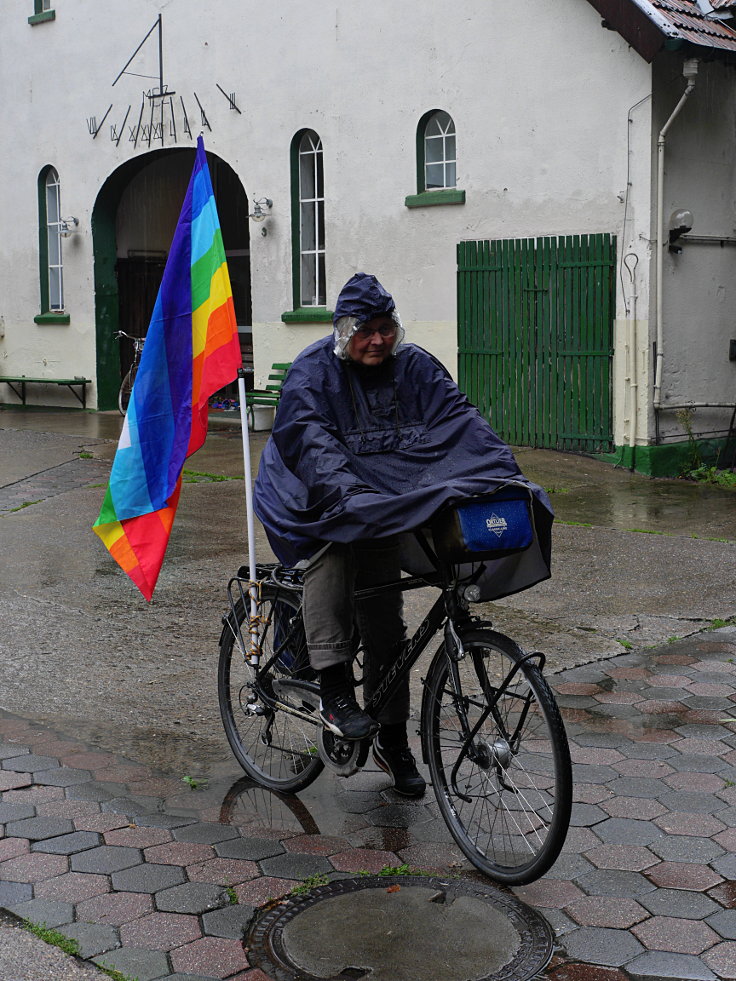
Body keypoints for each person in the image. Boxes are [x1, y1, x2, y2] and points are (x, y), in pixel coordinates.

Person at [254, 273, 552, 797]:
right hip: (309, 491)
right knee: (336, 550)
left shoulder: (414, 366)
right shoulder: (311, 374)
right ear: (343, 332)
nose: (379, 340)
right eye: (366, 330)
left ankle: (394, 743)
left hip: (380, 496)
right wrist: (349, 496)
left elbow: (461, 421)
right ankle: (334, 690)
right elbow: (313, 446)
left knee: (387, 622)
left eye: (386, 328)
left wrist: (503, 472)